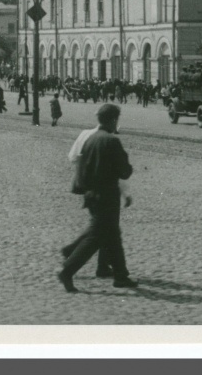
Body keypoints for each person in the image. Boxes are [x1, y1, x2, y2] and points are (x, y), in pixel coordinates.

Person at [58, 103, 136, 293]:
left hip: (92, 195)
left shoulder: (90, 139)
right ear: (113, 120)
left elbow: (81, 170)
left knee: (113, 237)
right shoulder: (111, 141)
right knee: (96, 238)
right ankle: (67, 271)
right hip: (107, 197)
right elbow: (125, 172)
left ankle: (120, 275)